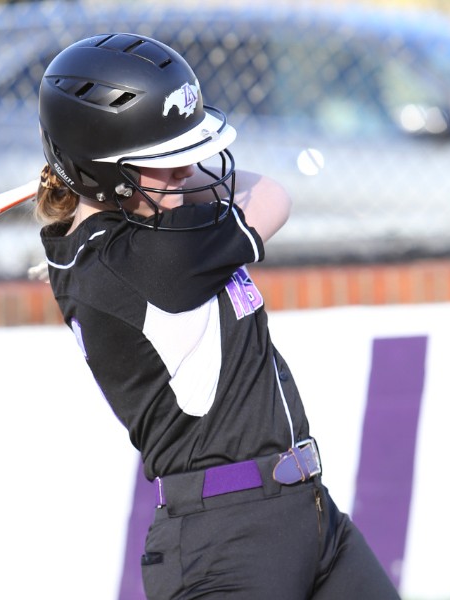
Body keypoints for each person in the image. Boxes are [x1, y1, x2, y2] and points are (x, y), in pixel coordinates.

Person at [34, 32, 401, 600]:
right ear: (106, 174)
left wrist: (149, 165)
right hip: (226, 541)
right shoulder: (155, 255)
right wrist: (174, 177)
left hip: (306, 515)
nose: (188, 170)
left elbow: (212, 191)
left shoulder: (98, 242)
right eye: (167, 161)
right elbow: (271, 196)